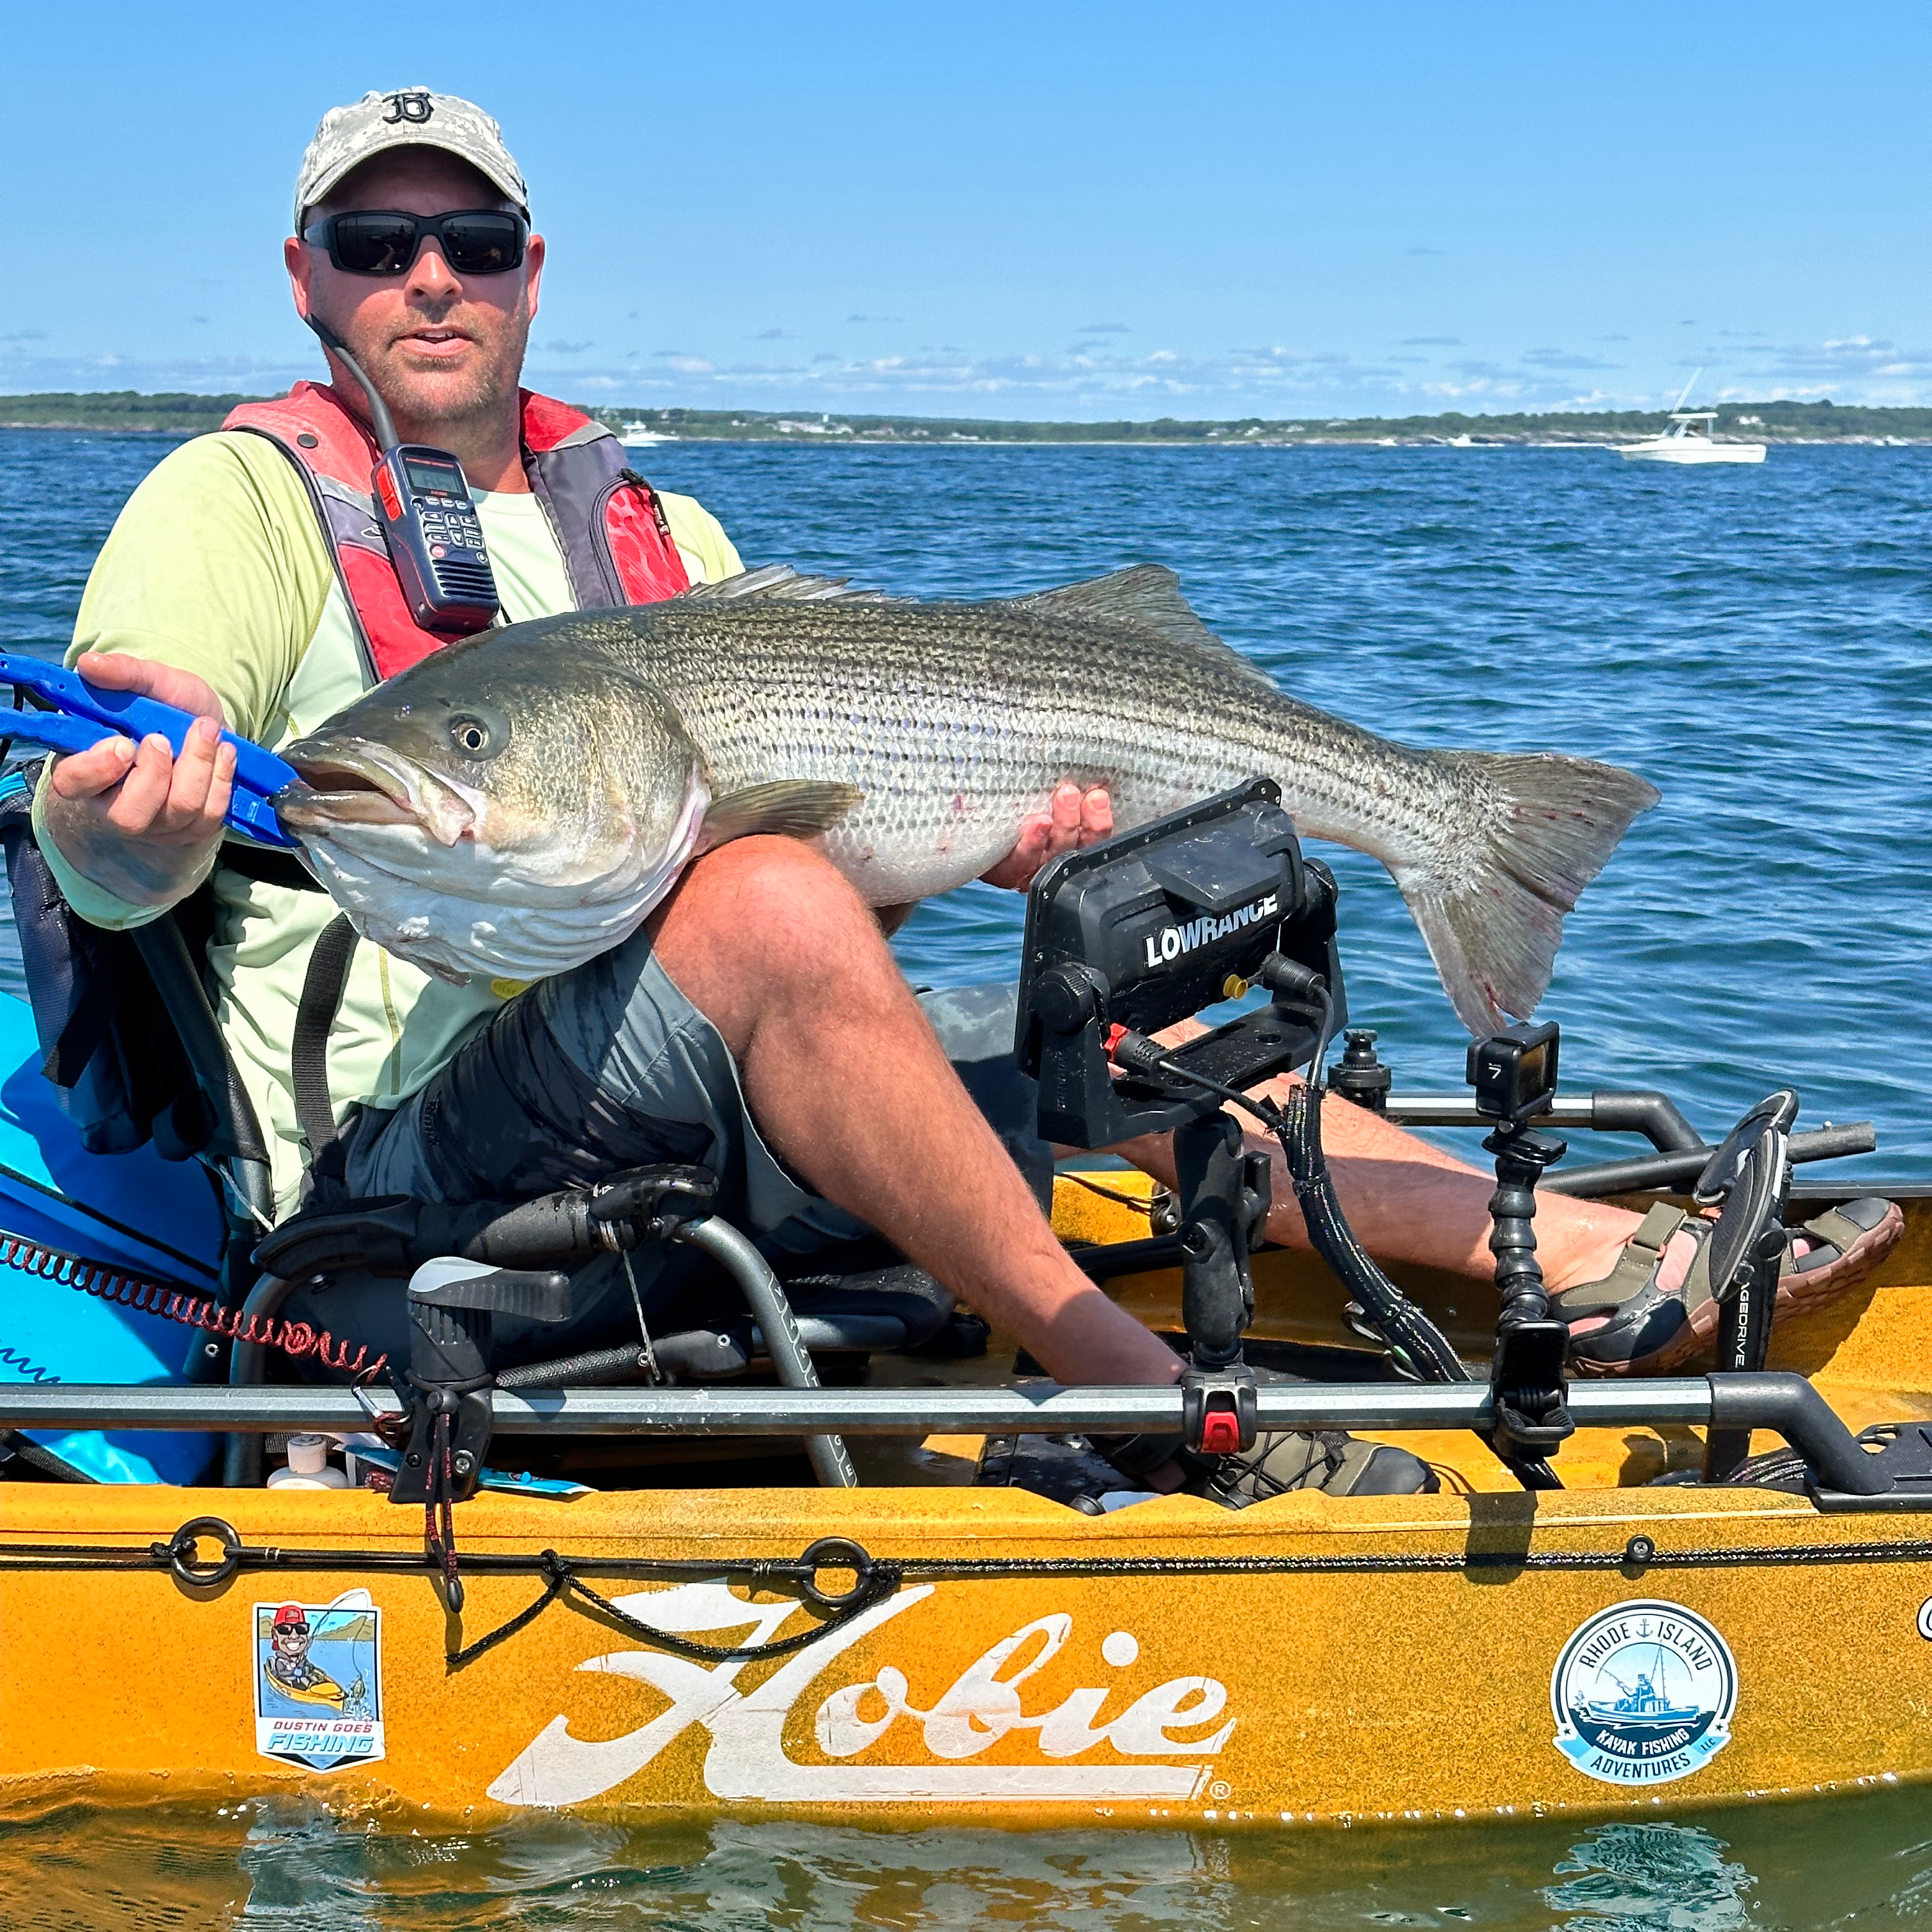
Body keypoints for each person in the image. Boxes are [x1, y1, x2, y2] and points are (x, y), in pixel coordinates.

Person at [34, 90, 1899, 1506]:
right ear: (307, 280)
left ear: (535, 269)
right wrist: (133, 828)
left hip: (678, 1111)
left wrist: (991, 854)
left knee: (1112, 1016)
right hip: (403, 1188)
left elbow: (803, 938)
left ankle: (1599, 1259)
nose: (426, 278)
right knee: (765, 908)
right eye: (374, 241)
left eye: (475, 239)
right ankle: (1140, 1397)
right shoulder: (239, 505)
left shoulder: (662, 538)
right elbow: (122, 813)